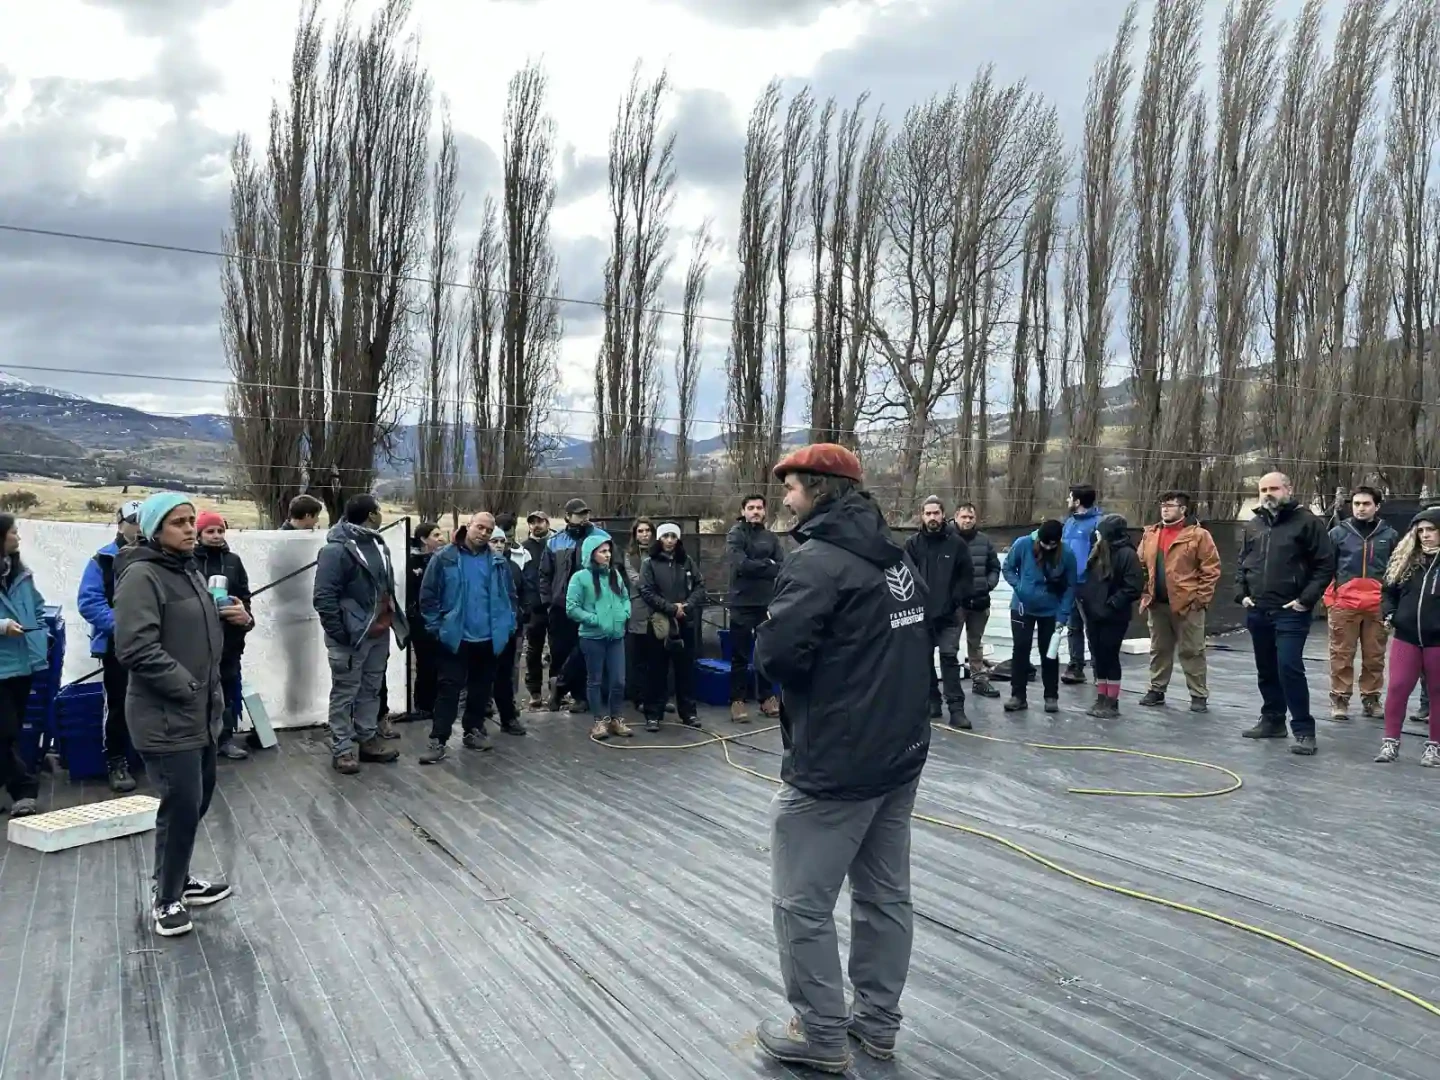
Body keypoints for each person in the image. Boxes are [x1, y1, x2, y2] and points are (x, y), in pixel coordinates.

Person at [752, 443, 930, 1073]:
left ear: (821, 491)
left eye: (793, 488)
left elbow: (776, 657)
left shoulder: (816, 564)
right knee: (884, 897)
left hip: (836, 766)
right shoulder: (897, 557)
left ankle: (822, 1036)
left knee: (801, 903)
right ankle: (876, 1027)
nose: (786, 499)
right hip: (900, 755)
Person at [114, 493, 248, 937]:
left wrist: (238, 618)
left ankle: (177, 877)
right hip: (167, 716)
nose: (191, 529)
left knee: (196, 801)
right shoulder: (142, 576)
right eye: (179, 523)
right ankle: (166, 899)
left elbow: (199, 630)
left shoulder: (187, 570)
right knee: (181, 806)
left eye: (192, 521)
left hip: (201, 713)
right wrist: (188, 687)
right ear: (156, 530)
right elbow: (135, 648)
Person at [1236, 472, 1335, 755]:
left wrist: (1305, 600)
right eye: (1263, 489)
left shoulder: (1307, 522)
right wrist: (1241, 594)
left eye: (1274, 488)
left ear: (1288, 489)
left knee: (1289, 667)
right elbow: (1243, 563)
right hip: (1258, 608)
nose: (1268, 493)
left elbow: (1325, 565)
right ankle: (1272, 720)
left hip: (1291, 610)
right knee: (1266, 669)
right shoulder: (1254, 524)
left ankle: (1303, 730)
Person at [312, 494, 407, 774]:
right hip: (352, 636)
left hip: (378, 631)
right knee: (345, 692)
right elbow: (324, 597)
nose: (381, 515)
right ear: (371, 515)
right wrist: (340, 633)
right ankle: (342, 748)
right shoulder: (335, 551)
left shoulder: (378, 544)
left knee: (371, 688)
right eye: (378, 510)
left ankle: (367, 740)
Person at [417, 512, 519, 765]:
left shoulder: (498, 562)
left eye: (489, 530)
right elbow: (428, 596)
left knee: (481, 689)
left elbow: (510, 597)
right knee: (448, 690)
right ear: (468, 526)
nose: (483, 533)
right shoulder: (445, 558)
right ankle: (438, 739)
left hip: (489, 638)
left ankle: (473, 730)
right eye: (480, 527)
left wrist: (508, 627)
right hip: (455, 637)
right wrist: (437, 628)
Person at [76, 499, 142, 793]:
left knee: (155, 701)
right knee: (119, 703)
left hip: (157, 643)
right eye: (133, 521)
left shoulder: (158, 555)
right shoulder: (102, 559)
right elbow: (89, 602)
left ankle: (149, 755)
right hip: (119, 645)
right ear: (120, 524)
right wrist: (122, 626)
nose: (138, 527)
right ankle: (116, 760)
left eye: (143, 521)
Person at [1136, 491, 1222, 713]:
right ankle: (1156, 690)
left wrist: (1200, 599)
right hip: (1157, 604)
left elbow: (1210, 570)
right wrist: (1146, 592)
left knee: (1192, 651)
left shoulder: (1198, 536)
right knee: (1159, 649)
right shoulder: (1150, 534)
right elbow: (1141, 566)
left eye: (1170, 505)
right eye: (1162, 504)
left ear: (1183, 509)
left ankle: (1198, 695)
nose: (1164, 508)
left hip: (1188, 606)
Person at [1324, 486, 1397, 722]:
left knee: (1375, 656)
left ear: (1377, 506)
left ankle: (1371, 698)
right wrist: (1329, 599)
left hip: (1377, 604)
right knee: (1341, 655)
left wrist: (1391, 603)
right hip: (1344, 604)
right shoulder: (1337, 533)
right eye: (1356, 504)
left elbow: (1397, 570)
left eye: (1366, 504)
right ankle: (1340, 700)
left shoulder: (1390, 535)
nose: (1361, 508)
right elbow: (1325, 568)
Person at [1376, 507, 1440, 764]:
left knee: (1437, 691)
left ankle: (1434, 746)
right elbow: (1387, 591)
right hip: (1407, 636)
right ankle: (1390, 743)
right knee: (1398, 687)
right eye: (1421, 530)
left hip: (1438, 640)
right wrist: (1390, 614)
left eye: (1431, 530)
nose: (1425, 535)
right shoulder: (1406, 560)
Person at [904, 496, 973, 729]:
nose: (932, 518)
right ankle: (932, 702)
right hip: (921, 616)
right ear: (922, 515)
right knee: (923, 662)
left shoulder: (957, 544)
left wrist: (955, 600)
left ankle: (957, 709)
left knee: (948, 658)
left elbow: (966, 577)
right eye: (928, 513)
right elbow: (904, 577)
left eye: (936, 513)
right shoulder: (912, 545)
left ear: (944, 515)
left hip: (949, 616)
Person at [192, 511, 254, 761]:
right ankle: (198, 743)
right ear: (199, 534)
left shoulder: (234, 561)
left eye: (220, 531)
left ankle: (225, 739)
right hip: (197, 641)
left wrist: (244, 617)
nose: (216, 536)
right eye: (210, 531)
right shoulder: (188, 562)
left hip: (229, 641)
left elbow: (245, 598)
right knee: (198, 693)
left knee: (228, 690)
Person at [0, 515, 51, 818]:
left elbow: (38, 606)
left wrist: (41, 630)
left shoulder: (20, 574)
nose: (18, 536)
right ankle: (24, 789)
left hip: (23, 664)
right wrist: (2, 625)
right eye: (13, 531)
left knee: (11, 731)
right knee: (3, 732)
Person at [1002, 519, 1079, 714]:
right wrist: (1018, 587)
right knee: (1020, 650)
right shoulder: (1023, 544)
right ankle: (1018, 695)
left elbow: (1071, 586)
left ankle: (1051, 696)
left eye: (1052, 544)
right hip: (1022, 607)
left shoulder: (1067, 554)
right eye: (1044, 543)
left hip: (1050, 610)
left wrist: (1063, 615)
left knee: (1049, 653)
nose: (1047, 547)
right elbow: (1008, 567)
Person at [539, 499, 608, 712]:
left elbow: (612, 570)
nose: (584, 518)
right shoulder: (555, 541)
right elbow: (544, 574)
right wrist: (548, 602)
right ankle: (557, 694)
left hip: (590, 605)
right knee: (559, 651)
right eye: (579, 514)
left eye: (586, 514)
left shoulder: (601, 538)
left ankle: (578, 696)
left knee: (584, 651)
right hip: (560, 606)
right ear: (567, 516)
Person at [566, 534, 633, 741]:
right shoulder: (580, 578)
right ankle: (598, 721)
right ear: (591, 554)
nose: (607, 554)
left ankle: (616, 718)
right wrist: (596, 619)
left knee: (618, 681)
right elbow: (572, 608)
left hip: (616, 636)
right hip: (592, 637)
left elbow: (625, 598)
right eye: (602, 551)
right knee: (595, 680)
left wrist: (624, 614)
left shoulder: (614, 574)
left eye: (608, 551)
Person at [1077, 514, 1145, 718]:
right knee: (1098, 656)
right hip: (1093, 614)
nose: (1096, 534)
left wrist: (1112, 604)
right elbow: (1090, 580)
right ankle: (1101, 696)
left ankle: (1112, 701)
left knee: (1110, 656)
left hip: (1113, 616)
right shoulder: (1098, 551)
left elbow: (1133, 587)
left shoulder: (1127, 555)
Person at [638, 523, 705, 729]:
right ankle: (653, 715)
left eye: (673, 536)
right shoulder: (649, 563)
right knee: (656, 670)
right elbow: (646, 591)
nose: (669, 540)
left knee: (685, 670)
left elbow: (700, 586)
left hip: (685, 622)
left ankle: (688, 713)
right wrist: (670, 608)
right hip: (660, 624)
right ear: (659, 539)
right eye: (665, 536)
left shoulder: (687, 562)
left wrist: (687, 606)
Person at [726, 493, 784, 723]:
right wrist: (766, 564)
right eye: (751, 507)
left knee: (765, 653)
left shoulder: (771, 537)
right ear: (743, 511)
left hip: (766, 603)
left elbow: (781, 565)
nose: (756, 511)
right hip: (742, 602)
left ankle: (766, 697)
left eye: (759, 507)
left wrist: (761, 565)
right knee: (739, 655)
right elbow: (741, 564)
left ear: (765, 511)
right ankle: (737, 701)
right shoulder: (735, 535)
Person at [953, 503, 1001, 698]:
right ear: (956, 517)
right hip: (955, 603)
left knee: (976, 642)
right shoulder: (947, 539)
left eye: (970, 517)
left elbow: (994, 567)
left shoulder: (984, 541)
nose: (967, 520)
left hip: (980, 601)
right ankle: (949, 682)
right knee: (950, 643)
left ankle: (979, 680)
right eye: (963, 517)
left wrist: (987, 585)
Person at [487, 526, 531, 733]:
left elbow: (521, 595)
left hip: (507, 629)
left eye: (501, 541)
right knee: (479, 677)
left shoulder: (511, 567)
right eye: (494, 541)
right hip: (481, 630)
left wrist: (518, 617)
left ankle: (508, 717)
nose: (498, 545)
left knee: (505, 676)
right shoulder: (476, 566)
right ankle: (476, 720)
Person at [1061, 484, 1103, 684]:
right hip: (1070, 585)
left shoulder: (1098, 524)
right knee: (1073, 627)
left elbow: (1102, 557)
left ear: (1077, 502)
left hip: (1089, 585)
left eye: (1070, 497)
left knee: (1092, 628)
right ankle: (1076, 666)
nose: (1067, 501)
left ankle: (1098, 669)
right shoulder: (1069, 523)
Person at [407, 522, 446, 718]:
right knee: (426, 662)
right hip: (420, 619)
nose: (441, 538)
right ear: (423, 539)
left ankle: (435, 702)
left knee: (439, 663)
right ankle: (423, 704)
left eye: (441, 534)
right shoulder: (413, 562)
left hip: (441, 617)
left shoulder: (443, 560)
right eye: (435, 535)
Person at [623, 518, 656, 721]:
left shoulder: (660, 553)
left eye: (647, 530)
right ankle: (640, 698)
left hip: (659, 609)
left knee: (657, 657)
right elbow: (636, 580)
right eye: (640, 531)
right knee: (639, 657)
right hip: (638, 608)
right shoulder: (630, 556)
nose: (644, 534)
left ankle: (657, 696)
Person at [521, 511, 551, 709]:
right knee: (534, 650)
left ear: (547, 523)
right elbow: (523, 579)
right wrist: (531, 604)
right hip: (535, 608)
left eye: (540, 521)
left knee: (559, 649)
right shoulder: (524, 548)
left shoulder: (556, 545)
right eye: (532, 522)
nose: (536, 525)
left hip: (556, 605)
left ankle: (558, 690)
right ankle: (535, 691)